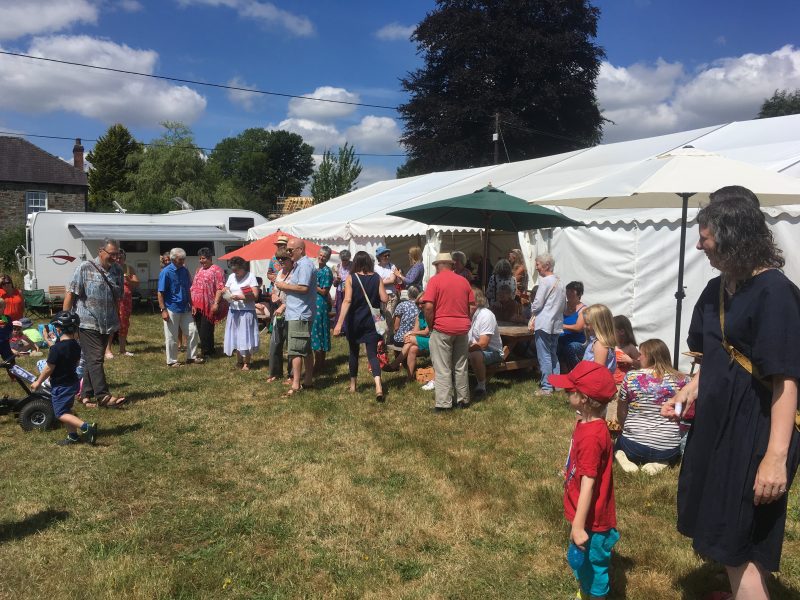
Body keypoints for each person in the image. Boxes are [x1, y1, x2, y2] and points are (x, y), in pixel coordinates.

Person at [660, 186, 800, 596]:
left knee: (738, 534)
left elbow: (785, 379)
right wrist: (691, 388)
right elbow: (719, 359)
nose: (701, 245)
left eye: (707, 238)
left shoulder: (775, 293)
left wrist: (774, 457)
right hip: (718, 427)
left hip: (756, 431)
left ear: (733, 237)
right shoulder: (716, 290)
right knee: (729, 530)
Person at [550, 361, 619, 600]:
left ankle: (596, 594)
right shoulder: (587, 423)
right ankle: (586, 588)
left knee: (594, 561)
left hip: (593, 518)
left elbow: (589, 483)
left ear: (584, 399)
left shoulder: (592, 437)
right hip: (584, 511)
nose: (567, 394)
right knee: (583, 561)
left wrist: (578, 527)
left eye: (571, 391)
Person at [64, 237, 126, 408]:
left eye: (117, 254)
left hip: (107, 323)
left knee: (94, 359)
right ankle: (104, 396)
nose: (114, 257)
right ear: (100, 251)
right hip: (86, 322)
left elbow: (117, 297)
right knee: (95, 358)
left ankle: (85, 395)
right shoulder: (85, 268)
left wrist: (117, 318)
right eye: (111, 254)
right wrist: (64, 319)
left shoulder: (118, 271)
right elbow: (71, 293)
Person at [615, 339, 690, 475]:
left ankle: (623, 456)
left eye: (640, 354)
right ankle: (662, 462)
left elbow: (621, 410)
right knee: (669, 454)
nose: (637, 357)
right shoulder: (683, 380)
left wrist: (624, 426)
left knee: (617, 443)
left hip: (633, 446)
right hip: (667, 448)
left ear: (651, 356)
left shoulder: (631, 376)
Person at [31, 311, 97, 446]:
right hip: (72, 382)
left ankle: (86, 427)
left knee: (60, 413)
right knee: (66, 410)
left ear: (58, 329)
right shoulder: (75, 346)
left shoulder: (56, 349)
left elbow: (49, 368)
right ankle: (73, 436)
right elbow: (77, 361)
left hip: (61, 385)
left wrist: (38, 382)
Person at [421, 252, 475, 410]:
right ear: (451, 265)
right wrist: (466, 320)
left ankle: (444, 403)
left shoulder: (435, 281)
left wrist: (431, 325)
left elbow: (428, 306)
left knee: (443, 367)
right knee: (461, 365)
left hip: (442, 327)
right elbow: (472, 305)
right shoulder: (463, 281)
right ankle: (463, 400)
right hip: (461, 328)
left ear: (437, 266)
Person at [333, 250, 388, 401]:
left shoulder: (351, 278)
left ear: (355, 262)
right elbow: (384, 297)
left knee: (353, 353)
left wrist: (338, 324)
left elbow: (347, 300)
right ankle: (378, 386)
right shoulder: (377, 277)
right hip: (372, 321)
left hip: (354, 320)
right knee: (372, 354)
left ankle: (353, 385)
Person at [275, 238, 317, 396]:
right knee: (305, 349)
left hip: (299, 312)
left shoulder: (305, 265)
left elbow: (303, 288)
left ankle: (296, 384)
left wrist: (284, 286)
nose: (288, 253)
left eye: (290, 250)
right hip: (298, 311)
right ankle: (307, 381)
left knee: (296, 350)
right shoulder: (300, 264)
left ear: (300, 249)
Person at [528, 253, 566, 396]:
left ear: (546, 265)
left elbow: (537, 304)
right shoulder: (560, 282)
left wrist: (532, 310)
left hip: (544, 323)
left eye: (538, 264)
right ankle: (556, 384)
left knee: (544, 355)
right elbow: (564, 306)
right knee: (552, 354)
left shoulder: (545, 282)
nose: (536, 267)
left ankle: (546, 387)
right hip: (556, 324)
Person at [158, 247, 201, 367]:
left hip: (185, 307)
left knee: (193, 332)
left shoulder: (184, 270)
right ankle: (171, 361)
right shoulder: (165, 272)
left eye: (183, 259)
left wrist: (192, 304)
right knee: (171, 336)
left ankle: (191, 357)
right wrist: (163, 310)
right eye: (180, 259)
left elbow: (188, 289)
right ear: (173, 259)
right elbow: (160, 292)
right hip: (171, 308)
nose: (183, 261)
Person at [222, 256, 259, 371]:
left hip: (246, 311)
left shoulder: (250, 277)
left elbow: (256, 296)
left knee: (246, 336)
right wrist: (225, 292)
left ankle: (247, 362)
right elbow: (226, 289)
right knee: (235, 335)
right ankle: (239, 360)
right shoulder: (232, 276)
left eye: (237, 270)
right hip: (233, 311)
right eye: (233, 269)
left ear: (243, 267)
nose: (234, 272)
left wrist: (241, 297)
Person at [190, 247, 227, 358]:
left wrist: (216, 303)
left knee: (207, 329)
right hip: (197, 305)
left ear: (210, 258)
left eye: (204, 258)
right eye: (200, 258)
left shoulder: (217, 270)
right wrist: (192, 303)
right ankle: (209, 349)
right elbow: (194, 286)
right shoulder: (199, 270)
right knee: (200, 328)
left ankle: (207, 353)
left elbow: (220, 288)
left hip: (209, 305)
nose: (201, 261)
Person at [467, 287, 503, 399]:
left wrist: (462, 350)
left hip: (492, 352)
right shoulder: (469, 315)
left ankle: (481, 386)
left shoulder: (486, 315)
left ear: (477, 302)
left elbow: (483, 344)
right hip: (473, 348)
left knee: (475, 355)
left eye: (467, 301)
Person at [105, 249, 139, 358]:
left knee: (124, 324)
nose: (119, 260)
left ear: (124, 259)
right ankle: (108, 350)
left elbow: (136, 282)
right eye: (117, 257)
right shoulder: (109, 268)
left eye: (121, 258)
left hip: (126, 302)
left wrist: (129, 280)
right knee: (111, 324)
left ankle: (122, 349)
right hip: (113, 301)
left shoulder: (128, 268)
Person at [267, 249, 293, 383]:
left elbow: (295, 295)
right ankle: (275, 373)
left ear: (290, 259)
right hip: (277, 311)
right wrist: (273, 295)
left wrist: (284, 306)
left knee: (291, 345)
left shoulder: (294, 274)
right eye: (279, 259)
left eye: (283, 258)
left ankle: (292, 375)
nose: (281, 261)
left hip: (291, 312)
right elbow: (274, 289)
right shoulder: (279, 274)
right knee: (275, 343)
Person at [383, 286, 421, 371]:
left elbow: (396, 327)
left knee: (394, 337)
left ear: (408, 294)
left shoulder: (402, 305)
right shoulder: (421, 306)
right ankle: (400, 363)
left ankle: (397, 364)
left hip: (401, 339)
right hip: (415, 336)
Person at [558, 281, 588, 373]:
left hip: (578, 342)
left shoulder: (583, 309)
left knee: (570, 348)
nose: (568, 293)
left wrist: (562, 326)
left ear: (579, 294)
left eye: (572, 291)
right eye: (567, 291)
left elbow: (578, 328)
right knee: (552, 344)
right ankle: (560, 372)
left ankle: (578, 372)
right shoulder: (563, 305)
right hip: (562, 337)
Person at [311, 246, 333, 373]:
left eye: (324, 256)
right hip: (313, 303)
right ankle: (318, 363)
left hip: (320, 305)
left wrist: (312, 285)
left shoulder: (326, 271)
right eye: (320, 255)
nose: (321, 257)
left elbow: (325, 291)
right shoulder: (315, 269)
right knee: (315, 333)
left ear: (328, 258)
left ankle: (319, 364)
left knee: (319, 332)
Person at [582, 305, 617, 375]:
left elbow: (597, 372)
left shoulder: (600, 345)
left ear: (599, 325)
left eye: (587, 324)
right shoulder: (597, 342)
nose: (584, 326)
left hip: (593, 383)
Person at [374, 246, 398, 340]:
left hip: (391, 296)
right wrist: (383, 281)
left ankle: (388, 339)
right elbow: (374, 281)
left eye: (388, 255)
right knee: (379, 318)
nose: (387, 257)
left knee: (389, 317)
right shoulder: (375, 267)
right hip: (379, 295)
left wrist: (380, 281)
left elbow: (392, 280)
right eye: (385, 256)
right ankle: (381, 339)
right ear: (379, 257)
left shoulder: (392, 266)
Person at [612, 315, 640, 385]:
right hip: (611, 382)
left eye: (612, 331)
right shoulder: (611, 346)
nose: (609, 333)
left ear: (621, 332)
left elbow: (641, 365)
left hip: (624, 383)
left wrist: (630, 361)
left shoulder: (630, 347)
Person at [332, 248, 352, 331]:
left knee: (348, 309)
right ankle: (340, 328)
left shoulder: (353, 266)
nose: (344, 261)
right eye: (343, 260)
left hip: (349, 291)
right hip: (340, 291)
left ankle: (348, 328)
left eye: (346, 260)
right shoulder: (338, 266)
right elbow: (334, 284)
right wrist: (337, 279)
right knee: (340, 309)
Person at [266, 234, 290, 300]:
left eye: (282, 245)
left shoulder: (291, 258)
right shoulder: (273, 259)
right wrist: (274, 278)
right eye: (279, 245)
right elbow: (268, 273)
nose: (280, 246)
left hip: (286, 289)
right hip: (274, 289)